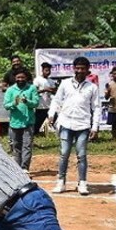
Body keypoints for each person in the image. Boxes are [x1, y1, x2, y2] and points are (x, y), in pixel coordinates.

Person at [48, 57, 100, 195]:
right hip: (65, 123)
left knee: (81, 155)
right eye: (77, 68)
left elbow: (96, 108)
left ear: (88, 70)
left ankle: (82, 183)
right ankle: (61, 182)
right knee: (64, 154)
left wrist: (95, 127)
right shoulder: (65, 84)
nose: (80, 71)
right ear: (74, 68)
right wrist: (51, 114)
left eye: (83, 68)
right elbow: (56, 101)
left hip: (83, 125)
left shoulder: (92, 87)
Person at [3, 68, 39, 172]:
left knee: (27, 146)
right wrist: (14, 103)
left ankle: (25, 168)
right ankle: (17, 168)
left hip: (28, 122)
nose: (20, 79)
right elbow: (6, 105)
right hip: (15, 122)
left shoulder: (31, 88)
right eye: (18, 77)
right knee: (16, 146)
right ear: (15, 78)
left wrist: (27, 102)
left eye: (22, 77)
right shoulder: (10, 90)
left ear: (26, 78)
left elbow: (36, 103)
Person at [33, 62, 57, 134]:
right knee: (37, 123)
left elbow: (55, 92)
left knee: (54, 118)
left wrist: (53, 90)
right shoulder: (37, 80)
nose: (48, 72)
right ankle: (35, 133)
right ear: (42, 70)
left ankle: (48, 130)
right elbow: (34, 91)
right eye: (46, 70)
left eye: (49, 70)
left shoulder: (51, 81)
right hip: (40, 105)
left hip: (49, 105)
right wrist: (44, 90)